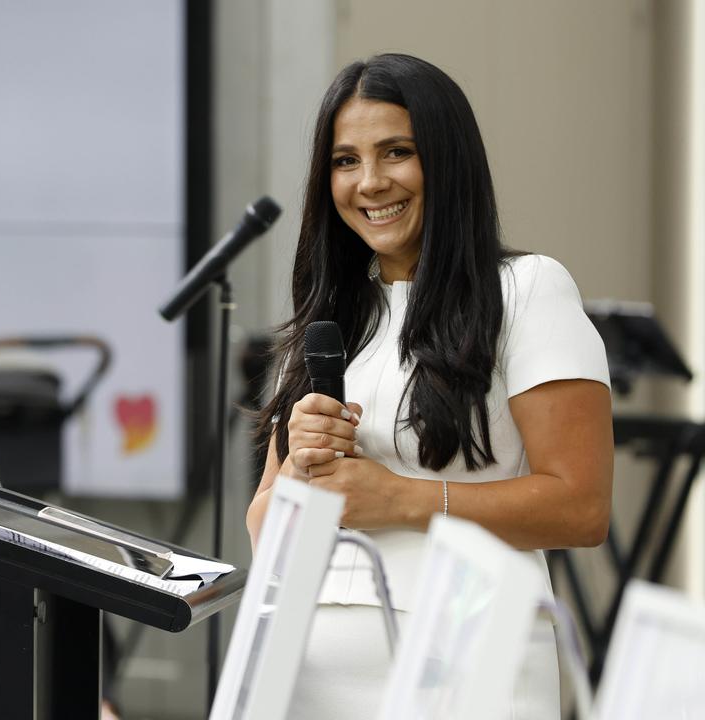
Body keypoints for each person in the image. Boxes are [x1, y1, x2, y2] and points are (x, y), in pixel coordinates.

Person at [246, 54, 613, 719]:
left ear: (446, 159)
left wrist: (404, 499)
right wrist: (299, 474)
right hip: (307, 668)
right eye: (345, 161)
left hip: (469, 655)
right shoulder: (324, 323)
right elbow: (264, 530)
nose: (371, 182)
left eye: (397, 152)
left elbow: (581, 508)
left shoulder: (527, 291)